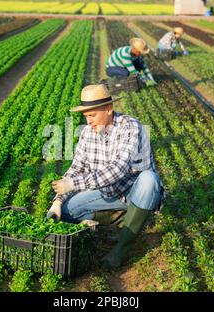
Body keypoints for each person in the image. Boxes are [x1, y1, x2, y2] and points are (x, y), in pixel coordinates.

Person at [47, 84, 164, 268]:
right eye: (86, 116)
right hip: (107, 193)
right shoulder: (87, 134)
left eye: (92, 115)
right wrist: (58, 201)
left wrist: (74, 184)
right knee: (67, 211)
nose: (88, 122)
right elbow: (76, 168)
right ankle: (117, 217)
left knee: (149, 180)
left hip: (134, 191)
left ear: (109, 109)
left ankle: (122, 248)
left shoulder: (130, 127)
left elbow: (118, 168)